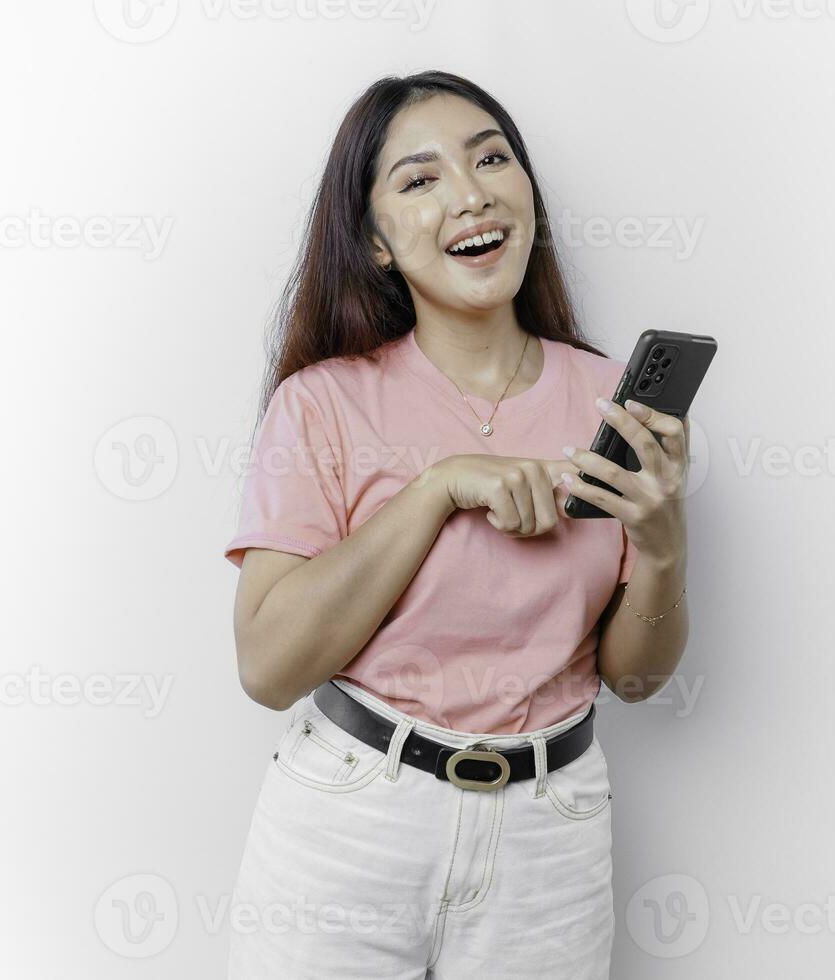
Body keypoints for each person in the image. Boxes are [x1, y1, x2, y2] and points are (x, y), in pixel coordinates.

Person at [223, 69, 692, 979]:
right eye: (419, 178)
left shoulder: (612, 404)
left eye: (491, 159)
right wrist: (436, 491)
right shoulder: (321, 404)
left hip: (550, 836)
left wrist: (666, 549)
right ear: (376, 242)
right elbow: (267, 668)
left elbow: (635, 681)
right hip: (349, 822)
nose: (471, 193)